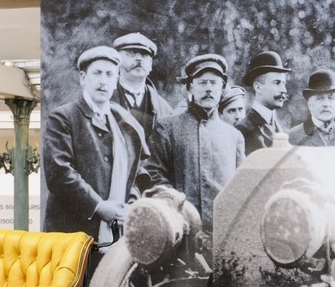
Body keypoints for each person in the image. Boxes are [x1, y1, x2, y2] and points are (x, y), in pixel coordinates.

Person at [43, 45, 147, 243]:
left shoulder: (124, 123)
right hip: (72, 235)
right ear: (83, 78)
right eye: (97, 73)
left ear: (116, 81)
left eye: (109, 75)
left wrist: (130, 204)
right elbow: (60, 173)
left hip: (117, 233)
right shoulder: (64, 117)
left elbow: (136, 174)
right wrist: (98, 206)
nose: (103, 81)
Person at [144, 53, 244, 230]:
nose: (208, 89)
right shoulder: (167, 127)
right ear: (190, 88)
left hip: (223, 231)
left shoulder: (233, 136)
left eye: (214, 83)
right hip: (180, 228)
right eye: (202, 82)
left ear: (222, 89)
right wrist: (178, 206)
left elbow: (241, 186)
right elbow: (154, 174)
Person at [111, 31, 172, 139]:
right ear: (117, 61)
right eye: (131, 52)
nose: (138, 59)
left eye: (144, 54)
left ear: (150, 64)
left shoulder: (165, 109)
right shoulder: (102, 101)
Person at [289, 71, 335, 148]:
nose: (326, 104)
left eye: (331, 98)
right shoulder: (293, 137)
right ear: (310, 104)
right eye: (319, 98)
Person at [238, 50, 290, 153]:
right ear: (258, 87)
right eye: (277, 83)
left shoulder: (280, 128)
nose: (284, 90)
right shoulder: (243, 130)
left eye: (284, 83)